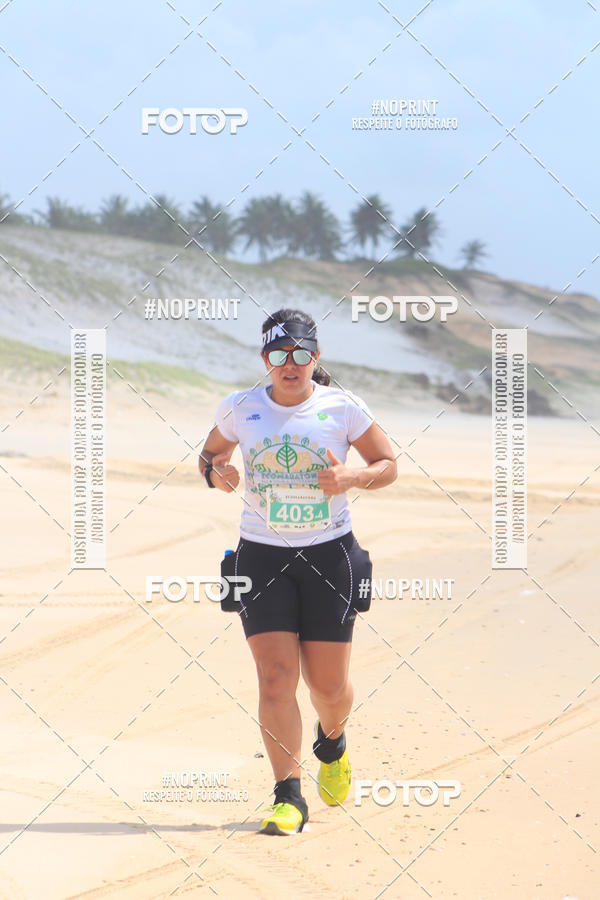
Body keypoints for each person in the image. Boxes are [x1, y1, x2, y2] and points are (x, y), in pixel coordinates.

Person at [199, 308, 397, 835]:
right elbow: (209, 456)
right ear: (265, 359)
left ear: (316, 356)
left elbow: (388, 465)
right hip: (261, 557)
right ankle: (288, 796)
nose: (291, 364)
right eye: (280, 355)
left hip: (329, 556)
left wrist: (353, 477)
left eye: (302, 354)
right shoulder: (241, 407)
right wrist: (218, 474)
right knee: (275, 678)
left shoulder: (343, 407)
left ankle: (332, 742)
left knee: (328, 687)